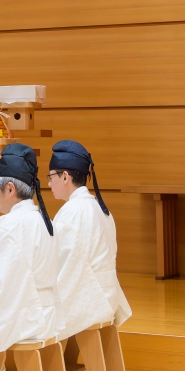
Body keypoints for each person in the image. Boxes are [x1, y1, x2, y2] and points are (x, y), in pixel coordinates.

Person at [0, 143, 61, 357]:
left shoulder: (12, 223)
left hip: (28, 318)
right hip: (48, 315)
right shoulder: (45, 220)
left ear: (10, 189)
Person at [48, 140, 132, 341]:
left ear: (65, 177)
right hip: (107, 298)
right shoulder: (99, 207)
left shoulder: (72, 211)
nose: (49, 184)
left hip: (90, 303)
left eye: (51, 177)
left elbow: (60, 264)